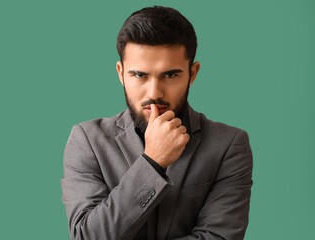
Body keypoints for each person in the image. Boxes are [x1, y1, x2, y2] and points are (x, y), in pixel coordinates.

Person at [61, 6, 253, 240]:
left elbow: (220, 237)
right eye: (139, 75)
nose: (154, 92)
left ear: (192, 73)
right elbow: (86, 236)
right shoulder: (87, 140)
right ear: (121, 73)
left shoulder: (229, 145)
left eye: (170, 75)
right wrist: (153, 161)